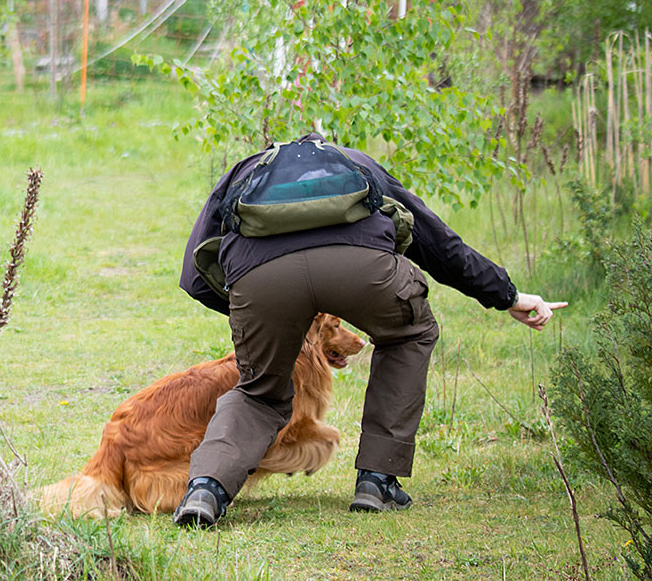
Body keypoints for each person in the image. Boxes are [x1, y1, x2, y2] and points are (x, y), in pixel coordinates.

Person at [173, 132, 567, 527]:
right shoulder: (355, 161)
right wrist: (507, 295)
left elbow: (194, 276)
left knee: (259, 392)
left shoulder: (244, 171)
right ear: (326, 147)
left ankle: (205, 489)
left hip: (261, 280)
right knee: (409, 334)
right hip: (365, 268)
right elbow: (437, 243)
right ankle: (377, 480)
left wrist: (258, 318)